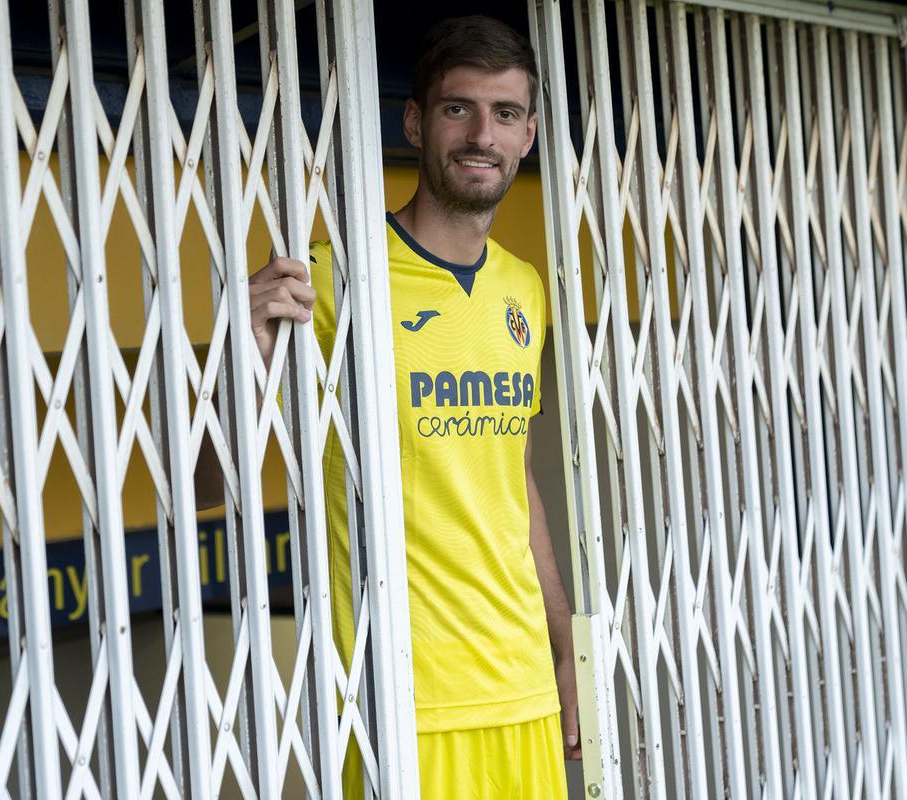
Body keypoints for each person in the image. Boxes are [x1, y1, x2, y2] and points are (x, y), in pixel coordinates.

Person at [246, 15, 576, 797]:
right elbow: (206, 479)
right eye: (459, 108)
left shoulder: (522, 287)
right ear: (415, 121)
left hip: (522, 688)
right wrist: (247, 353)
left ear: (528, 135)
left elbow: (515, 480)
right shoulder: (328, 281)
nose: (481, 136)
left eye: (505, 114)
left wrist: (566, 652)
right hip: (402, 699)